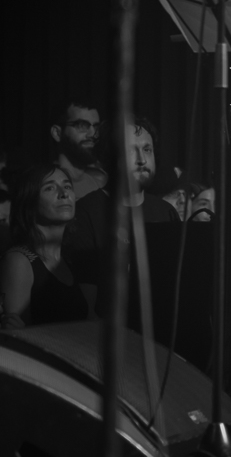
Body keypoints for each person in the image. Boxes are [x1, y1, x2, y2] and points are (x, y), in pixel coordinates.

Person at [62, 117, 179, 317]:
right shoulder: (86, 211)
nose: (142, 159)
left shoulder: (165, 211)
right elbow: (87, 300)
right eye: (131, 150)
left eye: (147, 149)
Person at [0, 164, 89, 328]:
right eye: (50, 188)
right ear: (30, 201)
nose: (64, 194)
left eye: (67, 186)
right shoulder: (20, 261)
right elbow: (18, 339)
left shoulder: (69, 260)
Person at [49, 99, 108, 200]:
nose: (93, 134)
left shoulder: (98, 184)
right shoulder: (42, 186)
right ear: (57, 133)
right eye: (82, 125)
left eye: (96, 127)